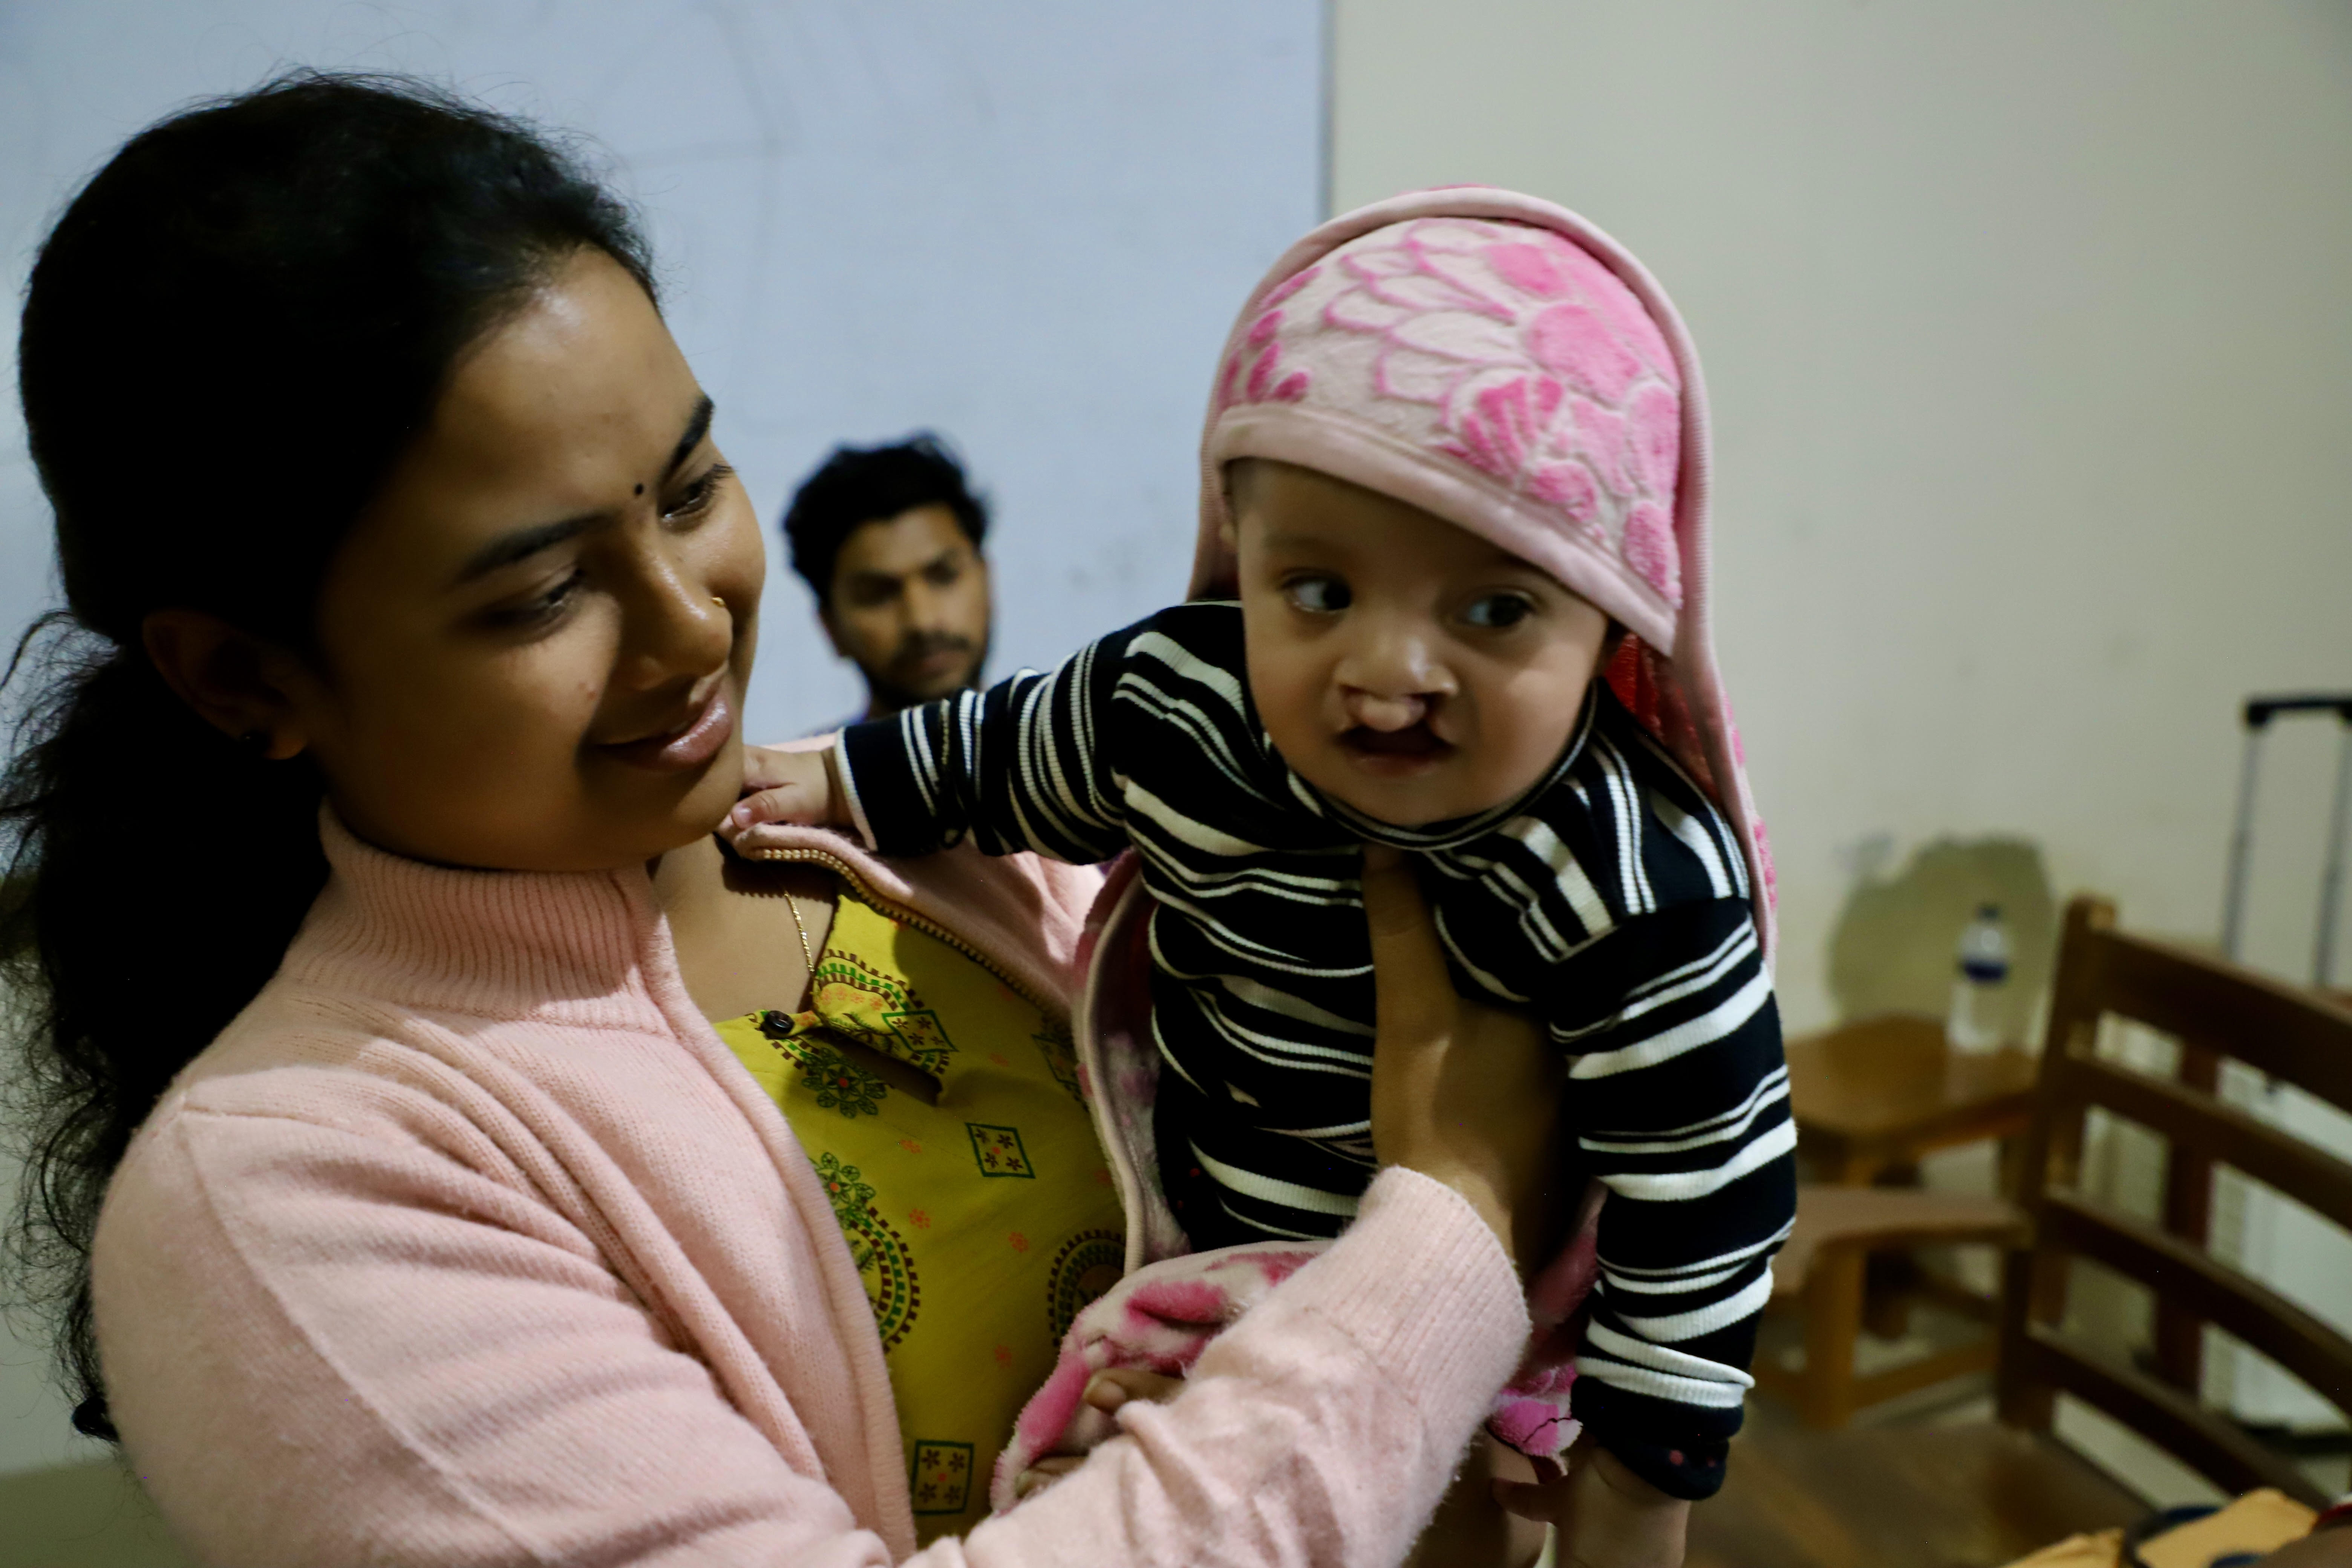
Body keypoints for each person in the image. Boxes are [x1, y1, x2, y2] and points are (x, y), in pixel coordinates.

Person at [1, 75, 1573, 1568]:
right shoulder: (289, 1195)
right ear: (236, 677)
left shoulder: (931, 839)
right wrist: (1454, 1225)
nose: (690, 627)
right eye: (542, 592)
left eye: (689, 489)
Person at [732, 190, 1796, 1552]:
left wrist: (1642, 1490)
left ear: (1617, 621)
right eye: (1318, 590)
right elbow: (1005, 750)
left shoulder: (1627, 868)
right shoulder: (1183, 700)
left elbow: (1714, 1184)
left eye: (1493, 607)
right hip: (1219, 1253)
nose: (1389, 674)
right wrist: (837, 780)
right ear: (1241, 550)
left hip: (1520, 1337)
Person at [782, 435, 994, 721]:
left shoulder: (1069, 755)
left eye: (944, 577)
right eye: (877, 595)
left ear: (987, 579)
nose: (923, 621)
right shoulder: (807, 767)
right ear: (831, 627)